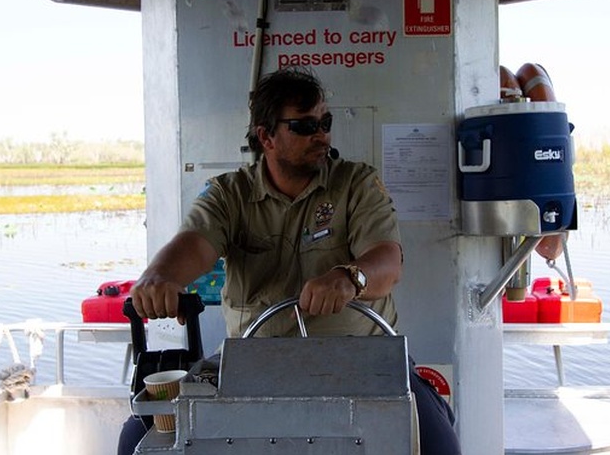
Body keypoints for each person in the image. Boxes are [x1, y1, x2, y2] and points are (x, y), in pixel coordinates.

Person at [118, 66, 461, 454]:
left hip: (362, 360)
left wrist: (350, 278)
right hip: (252, 363)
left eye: (325, 122)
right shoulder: (229, 195)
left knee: (438, 443)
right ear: (266, 136)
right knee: (135, 439)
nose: (322, 134)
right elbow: (193, 244)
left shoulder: (356, 184)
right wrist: (159, 277)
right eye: (304, 126)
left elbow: (387, 261)